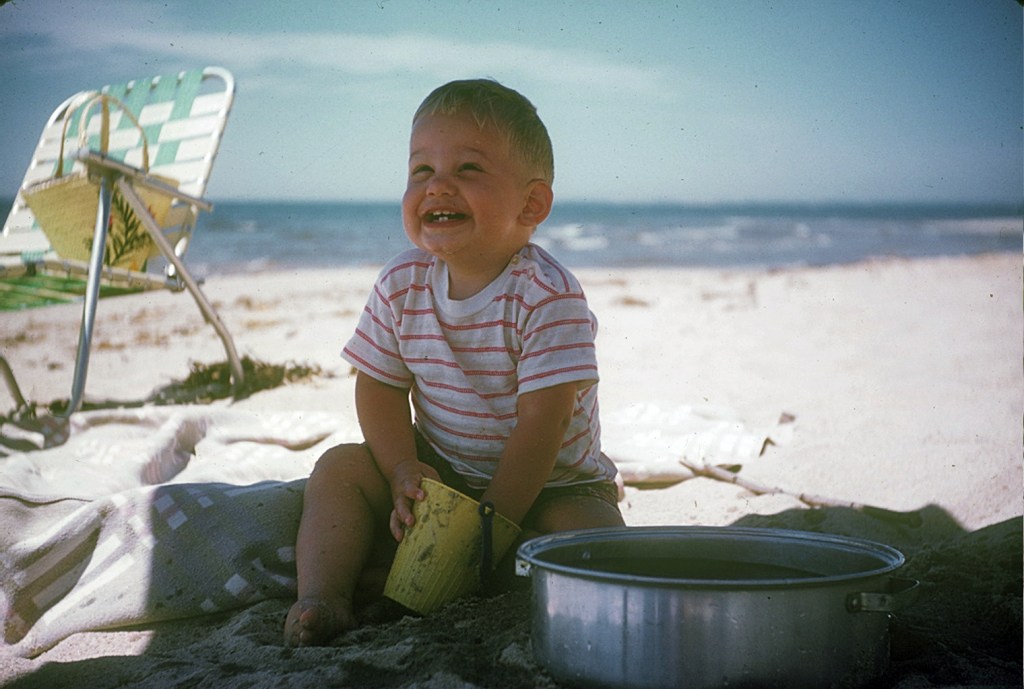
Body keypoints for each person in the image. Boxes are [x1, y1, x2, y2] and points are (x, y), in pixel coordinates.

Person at [284, 78, 624, 647]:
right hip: (442, 471)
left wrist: (485, 532)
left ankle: (467, 570)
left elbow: (545, 424)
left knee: (590, 536)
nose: (437, 185)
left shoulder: (547, 294)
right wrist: (401, 468)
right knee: (340, 468)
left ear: (531, 204)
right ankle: (322, 596)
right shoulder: (401, 283)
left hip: (550, 486)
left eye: (468, 168)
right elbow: (379, 387)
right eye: (421, 170)